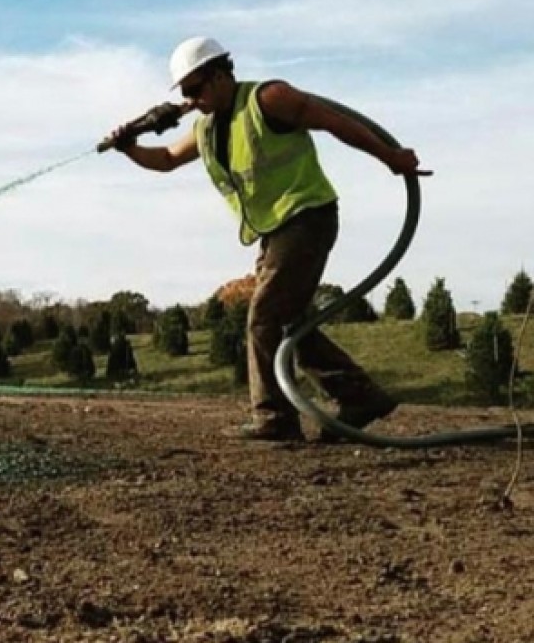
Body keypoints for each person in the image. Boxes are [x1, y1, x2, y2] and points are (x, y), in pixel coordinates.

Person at [105, 37, 428, 442]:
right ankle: (359, 396)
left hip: (307, 217)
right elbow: (167, 160)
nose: (192, 99)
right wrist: (130, 148)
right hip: (273, 232)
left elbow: (334, 122)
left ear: (222, 74)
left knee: (264, 316)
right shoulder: (206, 129)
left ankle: (274, 419)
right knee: (289, 321)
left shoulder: (268, 99)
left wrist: (391, 158)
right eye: (185, 93)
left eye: (196, 88)